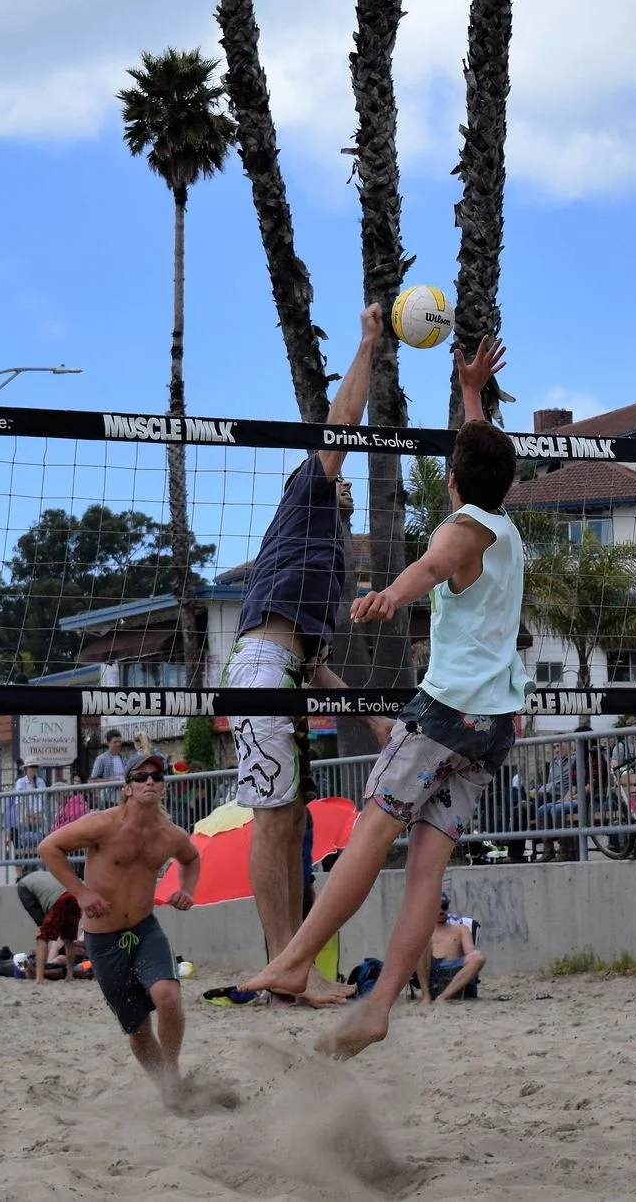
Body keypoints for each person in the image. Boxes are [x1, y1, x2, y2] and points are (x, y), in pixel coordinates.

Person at [237, 337, 522, 1059]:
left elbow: (430, 565)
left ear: (453, 480)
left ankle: (298, 957)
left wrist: (387, 594)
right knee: (426, 867)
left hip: (446, 711)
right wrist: (470, 395)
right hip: (493, 727)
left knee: (371, 827)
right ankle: (381, 1006)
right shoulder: (505, 526)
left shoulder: (462, 531)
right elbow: (481, 461)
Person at [226, 302, 391, 980]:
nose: (344, 480)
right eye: (339, 476)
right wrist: (366, 346)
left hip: (289, 672)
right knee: (275, 819)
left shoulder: (327, 566)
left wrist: (379, 718)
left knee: (290, 821)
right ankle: (285, 969)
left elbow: (320, 670)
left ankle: (292, 966)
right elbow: (341, 425)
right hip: (263, 667)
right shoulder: (307, 494)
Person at [37, 754, 200, 1102]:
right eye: (141, 777)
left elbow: (192, 858)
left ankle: (172, 1072)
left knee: (168, 997)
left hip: (144, 929)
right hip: (103, 938)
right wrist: (81, 893)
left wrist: (187, 889)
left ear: (163, 788)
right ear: (127, 788)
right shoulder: (103, 825)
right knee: (138, 1028)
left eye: (157, 777)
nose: (150, 782)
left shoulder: (169, 834)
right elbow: (49, 847)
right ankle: (167, 1091)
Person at [421, 891, 485, 1005]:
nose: (441, 910)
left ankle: (443, 996)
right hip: (430, 968)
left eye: (444, 906)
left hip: (454, 967)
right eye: (436, 906)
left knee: (479, 957)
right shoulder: (424, 930)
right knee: (420, 946)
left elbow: (470, 952)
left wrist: (471, 957)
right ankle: (425, 995)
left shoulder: (461, 929)